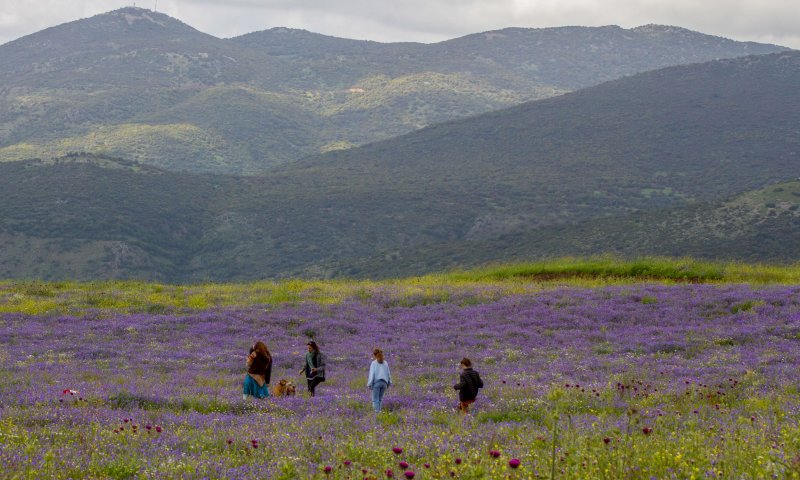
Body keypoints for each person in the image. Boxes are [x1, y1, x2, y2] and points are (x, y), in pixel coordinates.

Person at [367, 348, 392, 412]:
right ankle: (379, 411)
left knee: (375, 400)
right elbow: (388, 373)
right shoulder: (385, 362)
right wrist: (389, 382)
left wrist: (369, 384)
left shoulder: (374, 363)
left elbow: (372, 374)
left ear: (374, 355)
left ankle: (377, 413)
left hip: (377, 383)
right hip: (384, 383)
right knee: (380, 399)